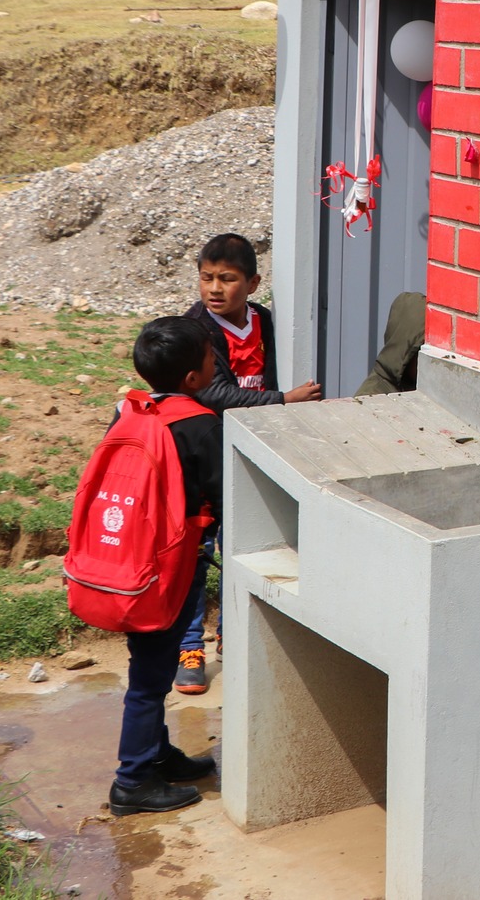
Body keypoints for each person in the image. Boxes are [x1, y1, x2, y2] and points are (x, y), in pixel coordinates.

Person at [175, 234, 319, 693]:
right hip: (203, 459)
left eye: (227, 279)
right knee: (199, 551)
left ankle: (230, 633)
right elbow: (212, 394)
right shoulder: (196, 329)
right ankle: (189, 646)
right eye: (206, 278)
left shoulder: (266, 322)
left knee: (244, 544)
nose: (214, 289)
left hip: (247, 455)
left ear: (253, 283)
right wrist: (283, 401)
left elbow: (267, 371)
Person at [106, 317, 222, 816]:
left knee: (149, 661)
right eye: (212, 358)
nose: (218, 364)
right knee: (150, 678)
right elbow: (224, 493)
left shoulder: (130, 413)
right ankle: (132, 781)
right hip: (171, 568)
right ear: (194, 377)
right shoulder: (198, 423)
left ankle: (158, 756)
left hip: (133, 561)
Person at [355, 292, 427, 396]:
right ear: (407, 351)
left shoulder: (413, 387)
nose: (428, 359)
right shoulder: (372, 397)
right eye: (422, 349)